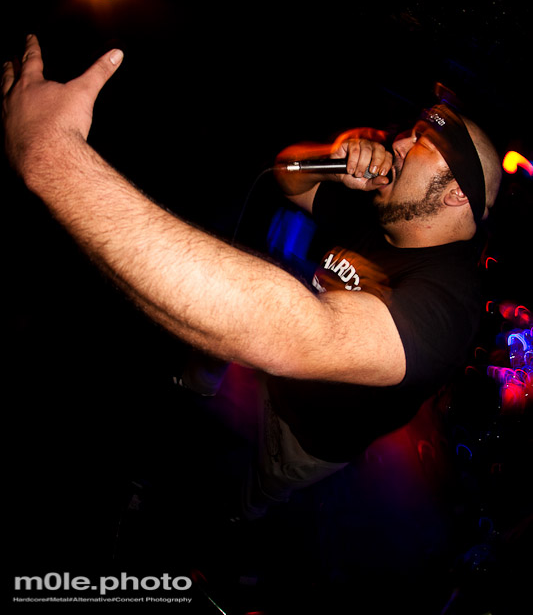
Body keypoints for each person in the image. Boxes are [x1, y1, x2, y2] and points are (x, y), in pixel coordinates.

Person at [2, 35, 502, 520]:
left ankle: (233, 526)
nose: (398, 140)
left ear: (456, 194)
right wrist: (330, 160)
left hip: (309, 439)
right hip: (270, 382)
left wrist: (52, 157)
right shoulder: (386, 211)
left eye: (422, 141)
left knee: (250, 496)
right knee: (200, 444)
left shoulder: (450, 307)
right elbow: (287, 177)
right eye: (410, 130)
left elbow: (299, 335)